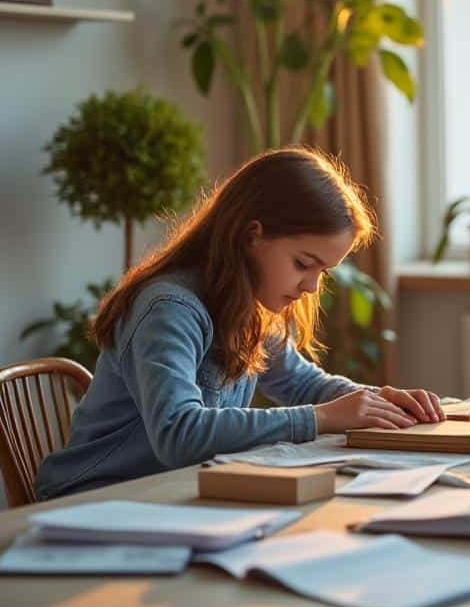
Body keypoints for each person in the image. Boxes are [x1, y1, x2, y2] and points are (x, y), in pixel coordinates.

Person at [36, 147, 444, 500]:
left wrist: (380, 402)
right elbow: (180, 434)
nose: (310, 286)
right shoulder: (168, 308)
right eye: (303, 263)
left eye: (324, 271)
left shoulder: (250, 306)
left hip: (173, 493)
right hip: (94, 500)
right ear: (252, 236)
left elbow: (303, 385)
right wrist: (322, 417)